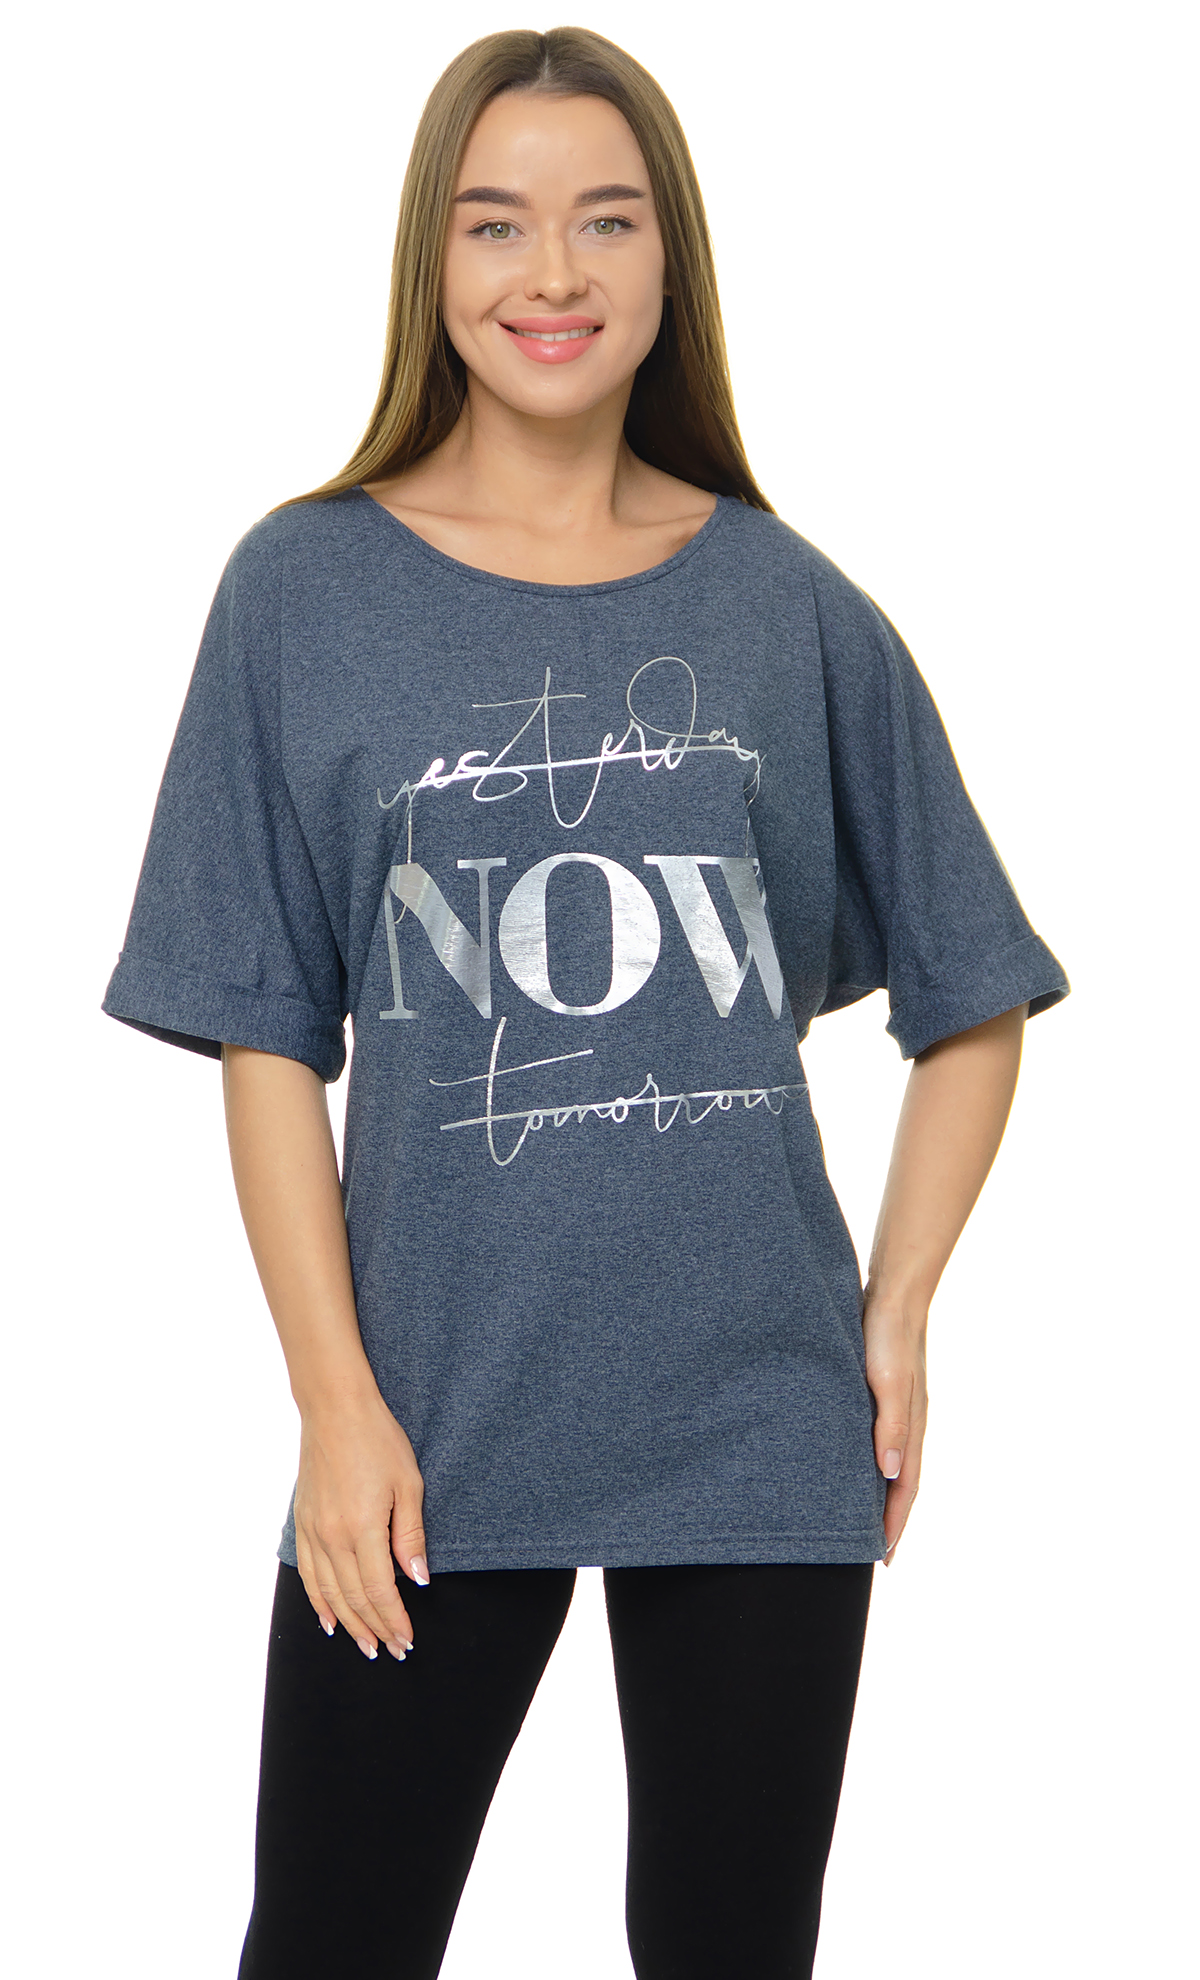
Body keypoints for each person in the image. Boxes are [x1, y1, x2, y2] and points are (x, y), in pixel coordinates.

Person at [101, 26, 1069, 1980]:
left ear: (670, 258)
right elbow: (267, 1031)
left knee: (729, 1949)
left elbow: (976, 988)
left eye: (607, 221)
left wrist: (893, 1310)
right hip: (428, 1422)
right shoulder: (299, 592)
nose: (553, 271)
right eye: (498, 222)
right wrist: (334, 1406)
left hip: (759, 1425)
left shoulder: (788, 604)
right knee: (329, 1942)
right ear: (432, 260)